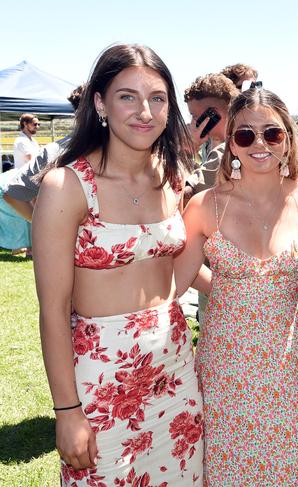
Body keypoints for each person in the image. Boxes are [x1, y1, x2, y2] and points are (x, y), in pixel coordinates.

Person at [32, 44, 204, 486]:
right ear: (99, 103)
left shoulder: (173, 176)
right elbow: (53, 310)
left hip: (176, 369)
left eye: (158, 98)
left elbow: (176, 274)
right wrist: (67, 411)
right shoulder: (66, 186)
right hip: (102, 378)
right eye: (127, 96)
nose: (145, 111)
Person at [173, 85, 298, 485]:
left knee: (291, 466)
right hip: (226, 365)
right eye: (245, 135)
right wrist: (226, 287)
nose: (260, 144)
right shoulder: (205, 205)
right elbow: (174, 282)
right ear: (232, 144)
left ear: (288, 140)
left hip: (290, 365)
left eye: (272, 133)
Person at [2, 85, 84, 222]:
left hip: (35, 180)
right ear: (25, 124)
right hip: (30, 180)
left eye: (39, 124)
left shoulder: (32, 140)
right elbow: (30, 160)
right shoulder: (22, 141)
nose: (38, 127)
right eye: (35, 124)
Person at [183, 73, 239, 202]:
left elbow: (186, 191)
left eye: (194, 116)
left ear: (213, 115)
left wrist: (188, 149)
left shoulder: (223, 151)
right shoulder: (238, 143)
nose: (192, 123)